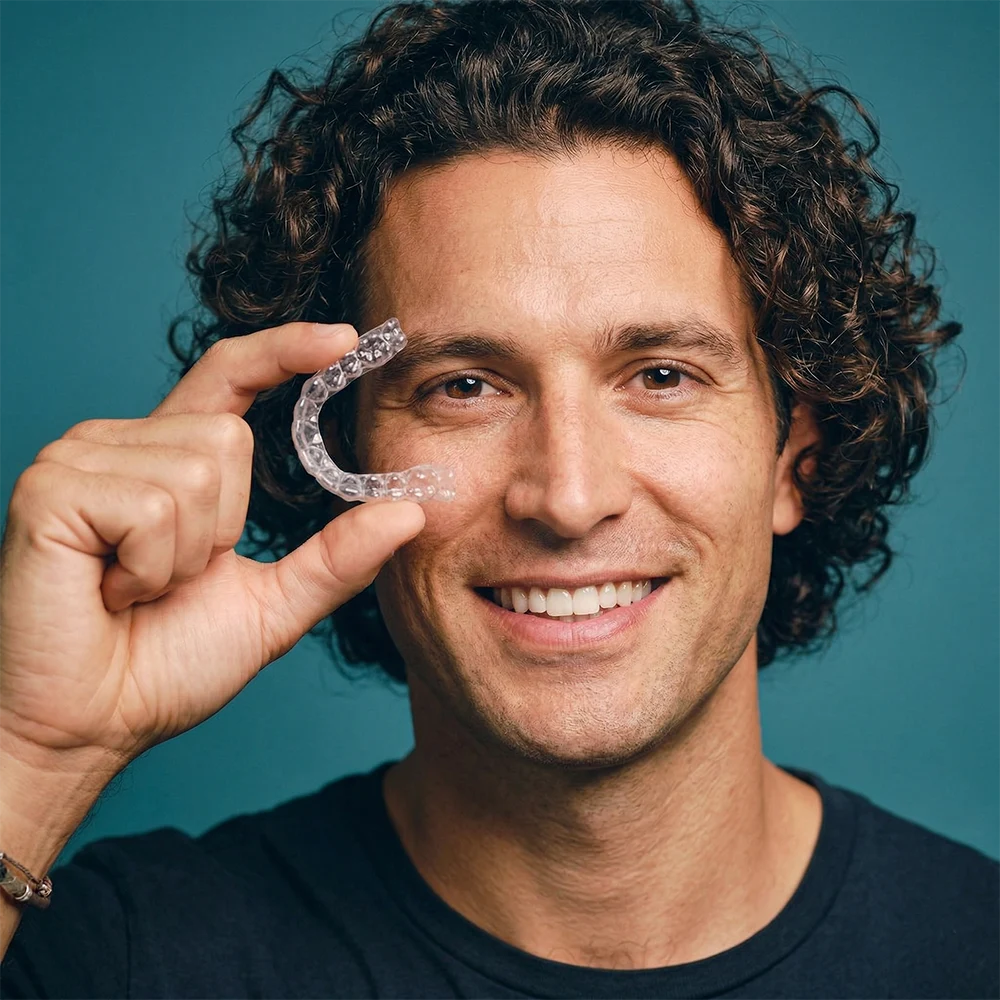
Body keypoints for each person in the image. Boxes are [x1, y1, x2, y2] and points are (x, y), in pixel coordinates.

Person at [1, 0, 997, 996]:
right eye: (464, 387)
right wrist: (33, 756)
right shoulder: (124, 958)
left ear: (793, 456)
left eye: (661, 376)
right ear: (338, 455)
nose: (567, 496)